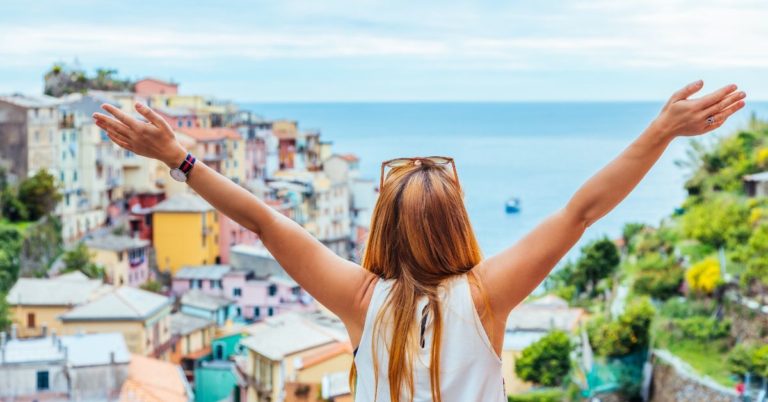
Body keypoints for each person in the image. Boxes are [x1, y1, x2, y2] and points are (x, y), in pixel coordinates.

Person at [93, 80, 745, 402]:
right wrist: (661, 131)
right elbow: (581, 212)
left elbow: (265, 222)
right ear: (459, 224)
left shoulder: (359, 298)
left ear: (382, 227)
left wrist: (178, 157)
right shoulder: (486, 298)